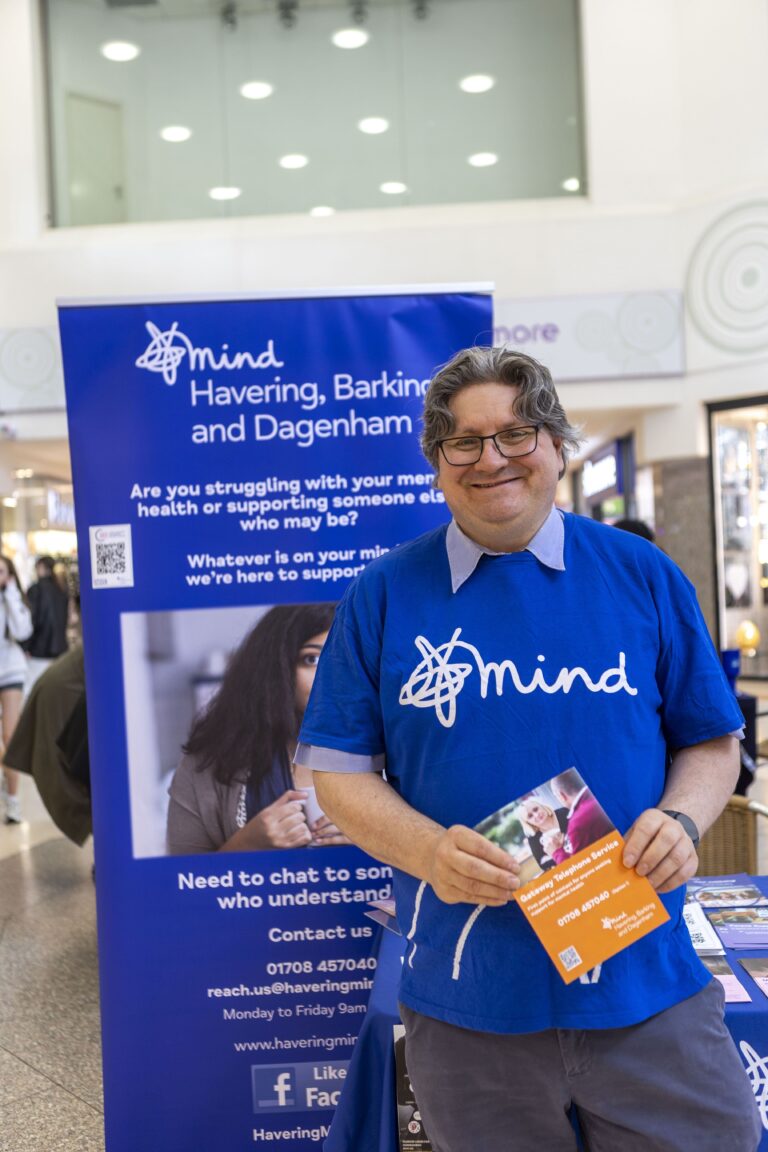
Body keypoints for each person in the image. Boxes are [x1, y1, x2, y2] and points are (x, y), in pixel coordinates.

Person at [295, 348, 761, 1152]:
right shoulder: (381, 593)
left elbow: (712, 741)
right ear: (437, 462)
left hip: (646, 983)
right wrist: (430, 850)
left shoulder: (640, 573)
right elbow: (335, 774)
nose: (492, 460)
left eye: (516, 434)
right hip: (470, 996)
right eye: (463, 442)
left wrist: (681, 823)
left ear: (555, 443)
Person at [167, 603, 347, 854]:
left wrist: (379, 842)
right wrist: (246, 845)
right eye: (312, 659)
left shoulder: (401, 753)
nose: (332, 675)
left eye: (346, 659)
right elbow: (178, 885)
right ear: (274, 669)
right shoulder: (205, 765)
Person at [0, 555, 33, 824]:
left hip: (10, 670)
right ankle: (5, 773)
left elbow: (22, 632)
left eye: (1, 571)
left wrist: (10, 594)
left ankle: (13, 802)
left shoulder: (13, 599)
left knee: (10, 736)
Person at [544, 767, 615, 863]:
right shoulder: (606, 790)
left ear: (562, 795)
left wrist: (556, 852)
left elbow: (579, 871)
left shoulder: (577, 822)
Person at [24, 555, 70, 688]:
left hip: (39, 649)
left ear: (41, 568)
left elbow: (33, 620)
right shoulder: (61, 589)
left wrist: (26, 646)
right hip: (60, 649)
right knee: (55, 689)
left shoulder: (36, 589)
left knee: (34, 689)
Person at [517, 796, 568, 870]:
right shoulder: (533, 838)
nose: (536, 815)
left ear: (542, 806)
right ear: (528, 822)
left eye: (536, 809)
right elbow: (543, 864)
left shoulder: (563, 812)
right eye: (530, 816)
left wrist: (553, 853)